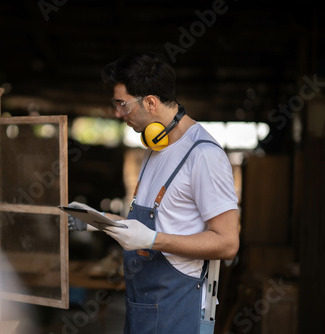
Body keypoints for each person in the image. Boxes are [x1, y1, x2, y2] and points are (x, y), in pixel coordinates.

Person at [67, 52, 239, 334]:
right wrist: (96, 219)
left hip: (177, 308)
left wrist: (153, 239)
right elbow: (155, 222)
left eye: (121, 104)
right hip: (142, 304)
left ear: (150, 102)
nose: (117, 114)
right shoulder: (154, 147)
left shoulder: (204, 155)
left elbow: (228, 243)